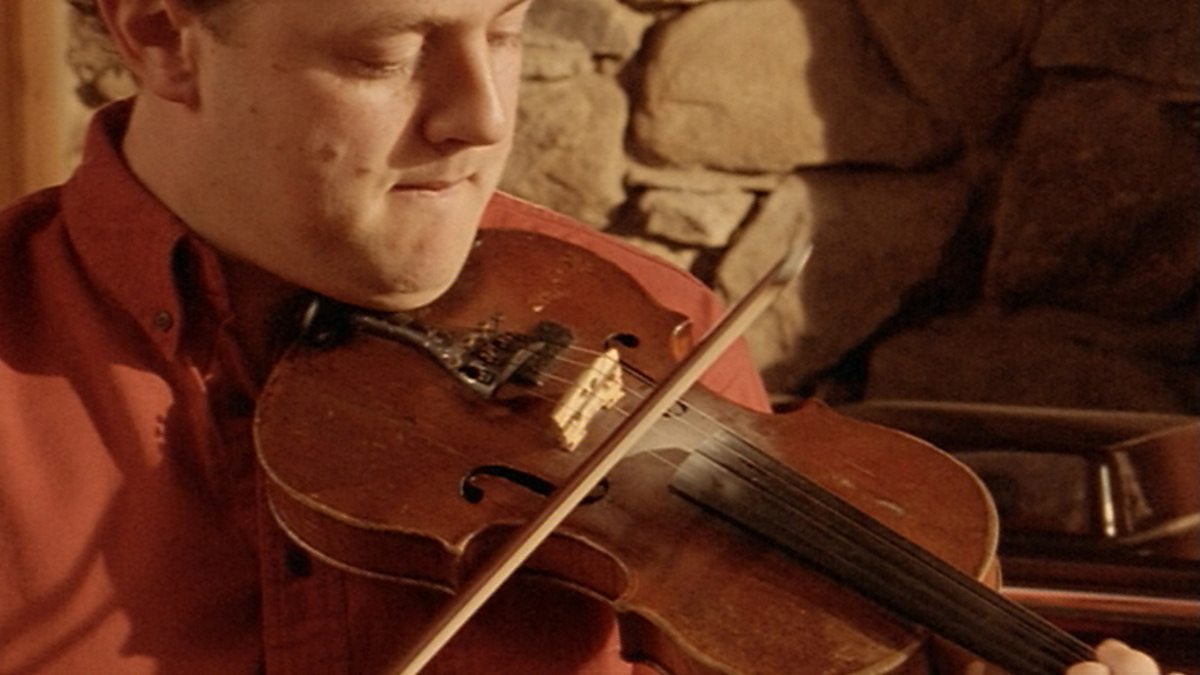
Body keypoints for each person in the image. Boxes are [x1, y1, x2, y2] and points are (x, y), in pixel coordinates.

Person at [0, 0, 1177, 673]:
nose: (481, 119)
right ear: (160, 33)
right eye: (388, 53)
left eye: (506, 29)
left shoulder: (649, 325)